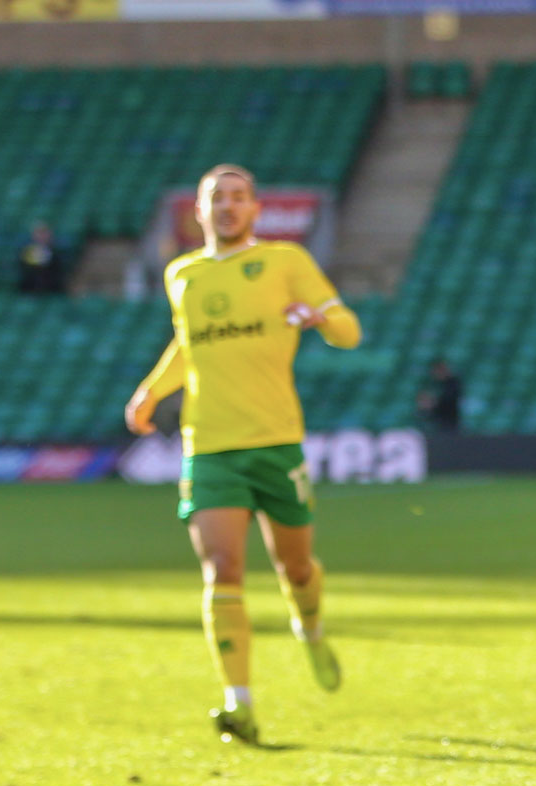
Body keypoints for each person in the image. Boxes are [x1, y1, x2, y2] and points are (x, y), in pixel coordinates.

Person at [124, 164, 362, 745]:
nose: (227, 207)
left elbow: (348, 330)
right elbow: (190, 343)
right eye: (216, 199)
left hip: (276, 441)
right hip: (208, 445)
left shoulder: (286, 262)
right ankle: (240, 703)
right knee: (222, 569)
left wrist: (320, 318)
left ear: (255, 209)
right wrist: (153, 391)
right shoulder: (182, 273)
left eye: (238, 197)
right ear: (198, 213)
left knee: (296, 568)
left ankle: (309, 627)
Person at [18, 221, 67, 295]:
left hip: (51, 289)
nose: (42, 236)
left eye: (44, 233)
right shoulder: (27, 251)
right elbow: (25, 269)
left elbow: (57, 269)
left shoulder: (55, 252)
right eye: (39, 233)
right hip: (31, 289)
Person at [418, 360, 464, 433]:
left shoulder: (453, 384)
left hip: (449, 422)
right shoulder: (435, 384)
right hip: (438, 422)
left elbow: (449, 400)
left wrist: (433, 402)